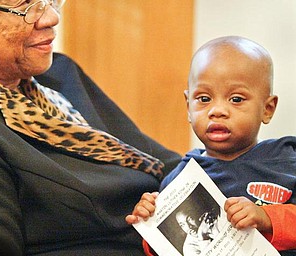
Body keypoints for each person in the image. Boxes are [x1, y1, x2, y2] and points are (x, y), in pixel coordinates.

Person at [0, 1, 181, 255]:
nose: (51, 17)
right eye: (25, 6)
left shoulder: (61, 74)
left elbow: (168, 165)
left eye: (50, 1)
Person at [126, 36, 296, 256]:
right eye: (204, 99)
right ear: (188, 107)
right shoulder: (181, 178)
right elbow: (167, 248)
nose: (217, 111)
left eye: (235, 99)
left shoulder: (285, 159)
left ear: (267, 109)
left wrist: (268, 218)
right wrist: (148, 223)